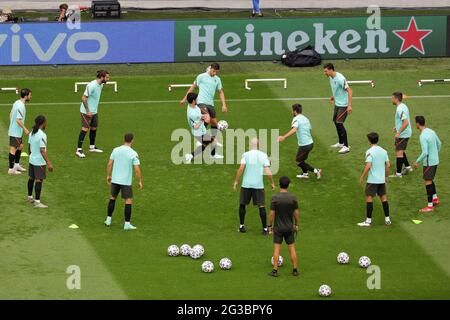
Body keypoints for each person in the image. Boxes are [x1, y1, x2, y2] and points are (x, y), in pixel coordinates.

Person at [180, 63, 227, 159]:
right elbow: (193, 87)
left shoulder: (217, 79)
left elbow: (221, 92)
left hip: (211, 104)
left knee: (215, 124)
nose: (215, 73)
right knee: (207, 118)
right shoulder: (201, 76)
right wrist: (185, 98)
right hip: (201, 102)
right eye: (214, 71)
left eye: (216, 72)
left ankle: (212, 149)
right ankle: (202, 139)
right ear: (210, 68)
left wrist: (224, 105)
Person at [233, 138, 275, 235]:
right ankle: (264, 229)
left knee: (242, 204)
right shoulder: (263, 155)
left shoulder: (245, 155)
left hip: (246, 184)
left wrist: (236, 181)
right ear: (258, 145)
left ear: (250, 145)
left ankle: (241, 226)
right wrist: (272, 182)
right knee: (261, 206)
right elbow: (268, 171)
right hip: (258, 185)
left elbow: (240, 169)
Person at [105, 133, 143, 230]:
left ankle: (108, 220)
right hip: (126, 182)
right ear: (132, 140)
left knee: (112, 198)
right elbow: (137, 170)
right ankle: (127, 224)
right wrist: (139, 181)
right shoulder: (133, 153)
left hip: (115, 179)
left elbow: (109, 164)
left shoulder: (116, 150)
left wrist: (108, 175)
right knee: (128, 201)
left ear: (123, 139)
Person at [278, 104, 322, 180]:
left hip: (305, 145)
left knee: (298, 161)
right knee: (302, 160)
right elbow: (309, 129)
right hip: (310, 143)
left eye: (292, 110)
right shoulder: (306, 118)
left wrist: (284, 137)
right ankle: (305, 174)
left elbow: (294, 129)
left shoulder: (296, 119)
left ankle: (316, 170)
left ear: (295, 111)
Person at [267, 176, 299, 277]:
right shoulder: (293, 198)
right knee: (292, 248)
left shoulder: (275, 198)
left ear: (279, 184)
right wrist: (296, 224)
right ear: (288, 185)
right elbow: (296, 212)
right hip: (290, 228)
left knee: (277, 249)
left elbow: (272, 214)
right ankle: (295, 270)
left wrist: (269, 226)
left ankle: (275, 271)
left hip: (278, 228)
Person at [358, 132, 391, 227]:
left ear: (369, 140)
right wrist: (386, 176)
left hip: (372, 180)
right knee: (384, 198)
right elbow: (388, 165)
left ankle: (368, 221)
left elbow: (368, 165)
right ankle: (387, 219)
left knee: (369, 198)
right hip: (381, 180)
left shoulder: (369, 152)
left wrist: (362, 176)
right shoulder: (384, 151)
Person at [76, 70, 110, 158]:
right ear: (102, 77)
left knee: (94, 128)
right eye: (106, 77)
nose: (108, 79)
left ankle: (92, 147)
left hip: (94, 111)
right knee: (85, 129)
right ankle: (79, 150)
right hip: (86, 112)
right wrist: (88, 111)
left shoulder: (101, 84)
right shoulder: (91, 85)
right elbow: (83, 98)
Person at [413, 116, 441, 213]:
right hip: (435, 161)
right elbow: (439, 144)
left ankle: (429, 206)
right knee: (430, 179)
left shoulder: (423, 136)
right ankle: (435, 199)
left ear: (417, 124)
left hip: (429, 163)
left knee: (428, 182)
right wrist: (435, 154)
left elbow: (425, 152)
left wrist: (417, 161)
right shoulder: (431, 131)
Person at [323, 63, 353, 154]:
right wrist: (333, 96)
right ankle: (341, 142)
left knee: (339, 123)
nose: (325, 73)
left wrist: (349, 105)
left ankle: (346, 146)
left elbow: (350, 91)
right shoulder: (330, 77)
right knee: (335, 122)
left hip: (343, 105)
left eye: (326, 71)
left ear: (331, 70)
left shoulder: (340, 78)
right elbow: (337, 88)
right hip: (338, 103)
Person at [27, 115, 53, 208]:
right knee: (39, 180)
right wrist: (49, 163)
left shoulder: (32, 133)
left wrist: (31, 155)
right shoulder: (42, 135)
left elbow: (29, 147)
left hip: (32, 160)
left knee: (31, 178)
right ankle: (37, 202)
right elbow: (42, 150)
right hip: (39, 162)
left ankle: (30, 197)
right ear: (42, 123)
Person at [184, 92, 216, 163]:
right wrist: (202, 119)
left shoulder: (192, 106)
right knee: (213, 141)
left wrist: (202, 116)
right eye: (196, 99)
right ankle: (213, 155)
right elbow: (195, 126)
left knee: (205, 145)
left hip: (201, 130)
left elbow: (198, 115)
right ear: (193, 101)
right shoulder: (192, 114)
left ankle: (190, 156)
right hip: (198, 133)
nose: (198, 99)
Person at [8, 88, 32, 175]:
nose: (30, 96)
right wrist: (25, 129)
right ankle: (11, 169)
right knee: (13, 149)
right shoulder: (21, 106)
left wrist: (12, 124)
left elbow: (10, 114)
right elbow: (18, 120)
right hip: (15, 132)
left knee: (20, 146)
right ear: (26, 96)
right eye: (30, 95)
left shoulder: (16, 102)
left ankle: (17, 165)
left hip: (16, 131)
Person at [390, 92, 413, 178]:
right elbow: (403, 120)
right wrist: (397, 127)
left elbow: (406, 122)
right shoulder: (403, 106)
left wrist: (399, 132)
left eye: (392, 98)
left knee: (399, 153)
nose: (391, 99)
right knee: (400, 150)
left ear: (396, 99)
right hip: (404, 132)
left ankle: (398, 174)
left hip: (403, 134)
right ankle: (408, 167)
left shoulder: (400, 109)